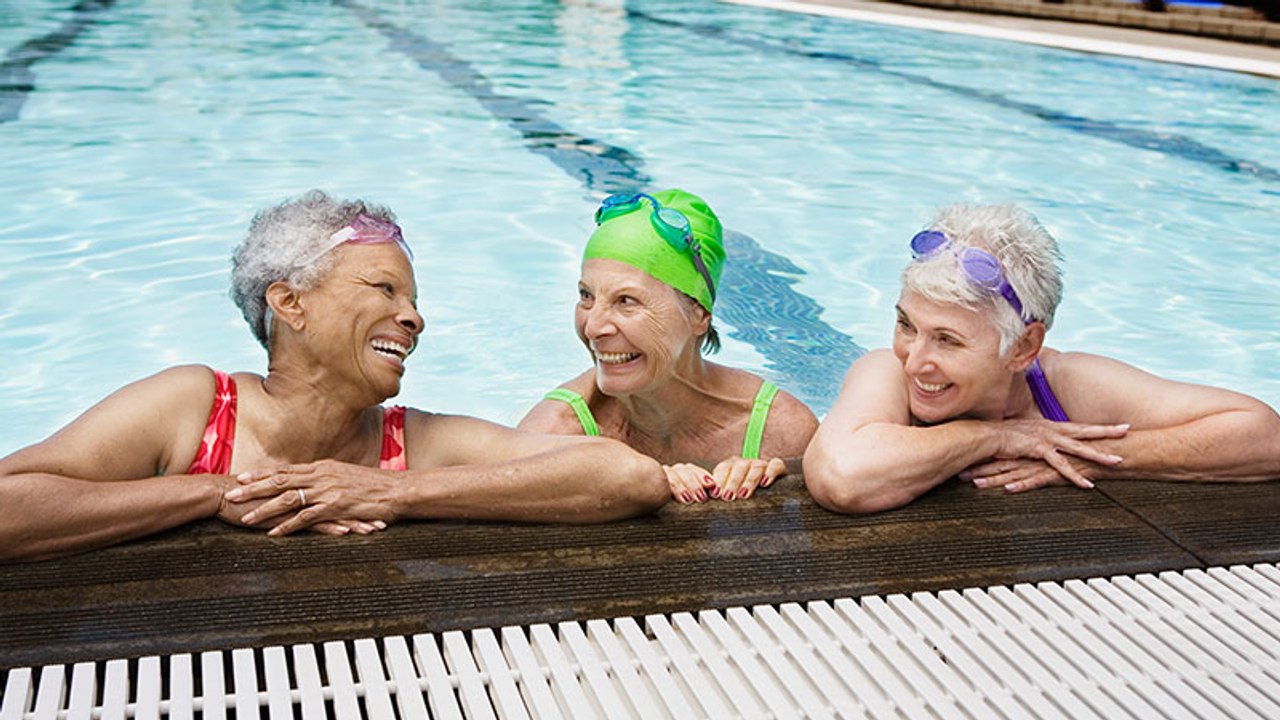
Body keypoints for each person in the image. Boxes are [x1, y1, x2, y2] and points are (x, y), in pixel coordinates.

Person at [0, 190, 668, 562]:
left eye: (412, 301)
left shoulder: (412, 445)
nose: (413, 319)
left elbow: (627, 477)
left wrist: (388, 495)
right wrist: (211, 494)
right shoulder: (196, 408)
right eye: (384, 289)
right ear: (289, 303)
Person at [804, 203, 1280, 514]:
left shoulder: (1064, 384)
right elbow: (843, 477)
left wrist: (1093, 459)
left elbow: (1263, 435)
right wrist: (999, 436)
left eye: (947, 340)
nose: (915, 360)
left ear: (1023, 347)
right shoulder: (885, 372)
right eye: (907, 325)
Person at [519, 189, 817, 504]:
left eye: (626, 301)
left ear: (699, 316)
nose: (593, 327)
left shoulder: (781, 431)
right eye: (586, 296)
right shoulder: (555, 431)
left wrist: (770, 495)